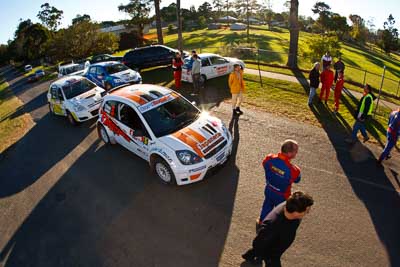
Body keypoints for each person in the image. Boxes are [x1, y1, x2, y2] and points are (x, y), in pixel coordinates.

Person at [242, 191, 314, 266]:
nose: (308, 212)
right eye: (306, 211)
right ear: (295, 212)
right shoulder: (272, 225)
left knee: (257, 250)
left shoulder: (291, 207)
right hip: (271, 253)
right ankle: (253, 254)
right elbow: (259, 242)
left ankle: (250, 255)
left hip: (277, 244)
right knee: (261, 250)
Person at [257, 140, 301, 226]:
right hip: (282, 196)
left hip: (269, 189)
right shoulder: (294, 170)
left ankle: (262, 222)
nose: (297, 153)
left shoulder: (269, 158)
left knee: (267, 206)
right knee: (281, 213)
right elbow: (297, 180)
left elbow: (264, 164)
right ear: (289, 153)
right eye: (295, 151)